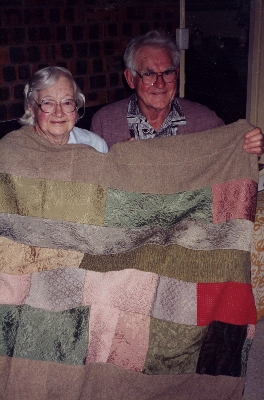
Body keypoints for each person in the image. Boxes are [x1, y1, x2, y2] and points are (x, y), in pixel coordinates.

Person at [90, 30, 263, 154]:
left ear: (177, 74)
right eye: (149, 74)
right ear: (130, 78)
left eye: (167, 72)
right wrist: (117, 161)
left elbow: (229, 160)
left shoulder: (205, 121)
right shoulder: (104, 123)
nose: (160, 84)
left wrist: (247, 146)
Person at [18, 66, 108, 152]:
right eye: (48, 103)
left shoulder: (95, 145)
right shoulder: (18, 151)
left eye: (67, 103)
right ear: (31, 108)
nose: (59, 113)